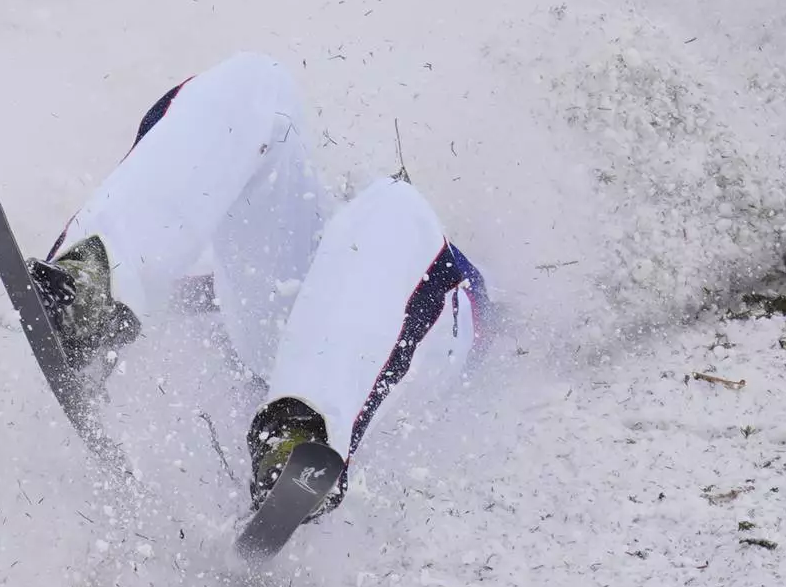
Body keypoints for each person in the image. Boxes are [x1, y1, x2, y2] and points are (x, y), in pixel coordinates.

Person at [25, 52, 491, 517]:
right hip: (288, 318)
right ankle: (92, 286)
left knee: (395, 207)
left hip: (418, 335)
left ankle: (304, 437)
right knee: (259, 85)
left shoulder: (429, 220)